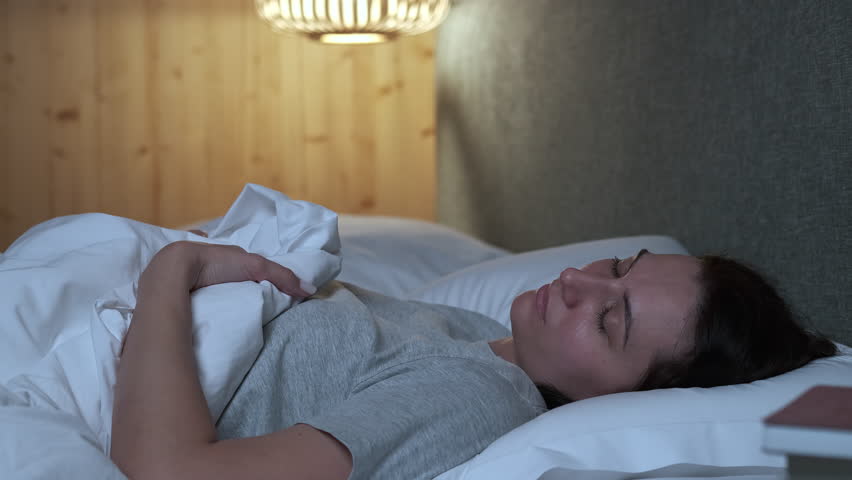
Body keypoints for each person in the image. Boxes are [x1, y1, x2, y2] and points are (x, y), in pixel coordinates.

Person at [109, 239, 837, 480]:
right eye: (615, 267)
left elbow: (176, 471)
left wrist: (170, 271)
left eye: (610, 319)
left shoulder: (481, 397)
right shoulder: (471, 330)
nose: (579, 283)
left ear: (621, 399)